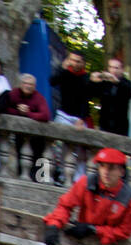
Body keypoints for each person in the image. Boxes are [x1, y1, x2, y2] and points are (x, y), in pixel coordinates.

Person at [49, 50, 91, 184]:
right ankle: (54, 175)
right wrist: (62, 68)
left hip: (79, 118)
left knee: (80, 151)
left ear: (83, 63)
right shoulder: (65, 73)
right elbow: (52, 81)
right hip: (63, 114)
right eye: (72, 60)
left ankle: (78, 179)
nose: (75, 63)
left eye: (78, 61)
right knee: (56, 146)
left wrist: (82, 119)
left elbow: (86, 101)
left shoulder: (86, 78)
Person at [2, 74, 52, 180]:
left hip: (38, 135)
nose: (28, 86)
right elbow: (4, 108)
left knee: (39, 158)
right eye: (25, 83)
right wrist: (18, 111)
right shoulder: (14, 94)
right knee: (21, 156)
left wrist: (28, 113)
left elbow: (45, 115)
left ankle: (40, 179)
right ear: (21, 84)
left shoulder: (38, 97)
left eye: (31, 84)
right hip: (19, 133)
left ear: (34, 86)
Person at [91, 56, 131, 137]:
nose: (112, 70)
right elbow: (93, 94)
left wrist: (116, 82)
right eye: (110, 67)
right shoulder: (105, 83)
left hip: (121, 127)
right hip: (104, 124)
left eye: (116, 68)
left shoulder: (126, 83)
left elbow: (130, 93)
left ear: (122, 70)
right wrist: (93, 81)